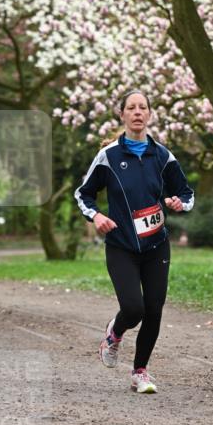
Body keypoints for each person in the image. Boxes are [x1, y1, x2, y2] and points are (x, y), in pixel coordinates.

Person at [74, 90, 194, 394]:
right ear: (122, 115)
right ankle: (114, 334)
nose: (137, 112)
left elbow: (187, 193)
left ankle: (140, 371)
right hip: (122, 246)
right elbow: (83, 194)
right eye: (131, 108)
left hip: (156, 246)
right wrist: (97, 216)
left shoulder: (163, 156)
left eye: (143, 107)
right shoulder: (109, 156)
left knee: (154, 309)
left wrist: (179, 203)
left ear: (149, 115)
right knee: (133, 308)